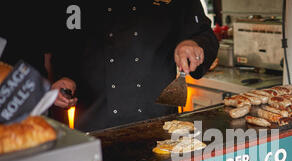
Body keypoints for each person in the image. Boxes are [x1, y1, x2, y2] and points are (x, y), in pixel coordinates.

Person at [50, 0, 219, 132]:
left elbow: (204, 34)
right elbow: (66, 48)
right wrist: (65, 77)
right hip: (95, 124)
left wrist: (193, 43)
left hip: (159, 122)